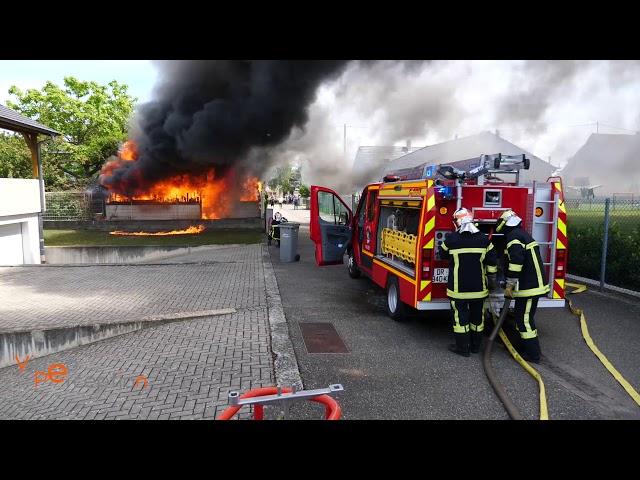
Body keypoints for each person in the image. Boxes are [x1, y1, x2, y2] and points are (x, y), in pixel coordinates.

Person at [439, 208, 498, 357]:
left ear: (457, 222)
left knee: (460, 319)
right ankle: (475, 347)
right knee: (477, 319)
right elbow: (492, 263)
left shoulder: (452, 239)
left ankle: (462, 348)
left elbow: (442, 254)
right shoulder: (484, 240)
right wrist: (492, 281)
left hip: (458, 290)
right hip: (479, 289)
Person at [496, 209, 549, 363]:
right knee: (521, 317)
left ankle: (533, 355)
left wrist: (509, 285)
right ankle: (523, 348)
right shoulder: (521, 234)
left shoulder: (514, 237)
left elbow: (516, 262)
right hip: (529, 286)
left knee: (525, 320)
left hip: (529, 287)